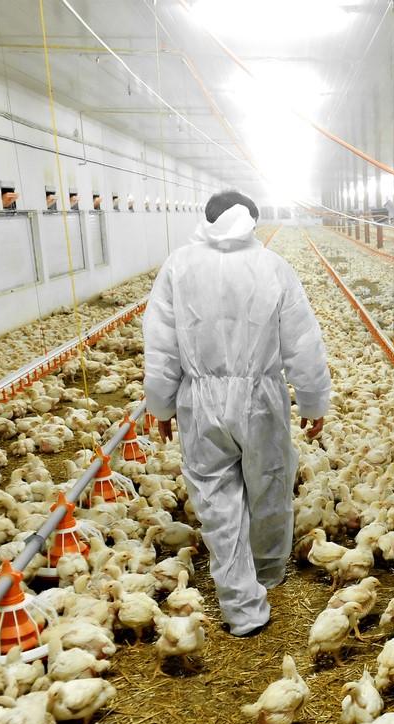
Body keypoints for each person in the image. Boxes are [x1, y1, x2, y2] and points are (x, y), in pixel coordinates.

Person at [142, 190, 331, 636]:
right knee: (269, 484)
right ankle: (267, 571)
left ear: (205, 219)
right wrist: (312, 399)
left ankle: (242, 607)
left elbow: (161, 344)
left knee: (214, 499)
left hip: (200, 398)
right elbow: (302, 340)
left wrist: (162, 404)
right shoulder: (271, 266)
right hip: (261, 397)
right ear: (253, 220)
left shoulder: (178, 266)